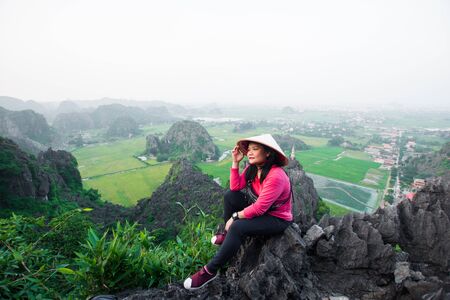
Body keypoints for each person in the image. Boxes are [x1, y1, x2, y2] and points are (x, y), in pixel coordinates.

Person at [183, 134, 293, 290]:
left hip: (276, 218)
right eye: (249, 150)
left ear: (268, 153)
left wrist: (235, 217)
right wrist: (235, 162)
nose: (249, 153)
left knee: (237, 226)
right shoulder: (253, 168)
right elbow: (235, 187)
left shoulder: (276, 176)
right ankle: (228, 236)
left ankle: (210, 270)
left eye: (255, 149)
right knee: (230, 196)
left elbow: (260, 208)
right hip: (260, 208)